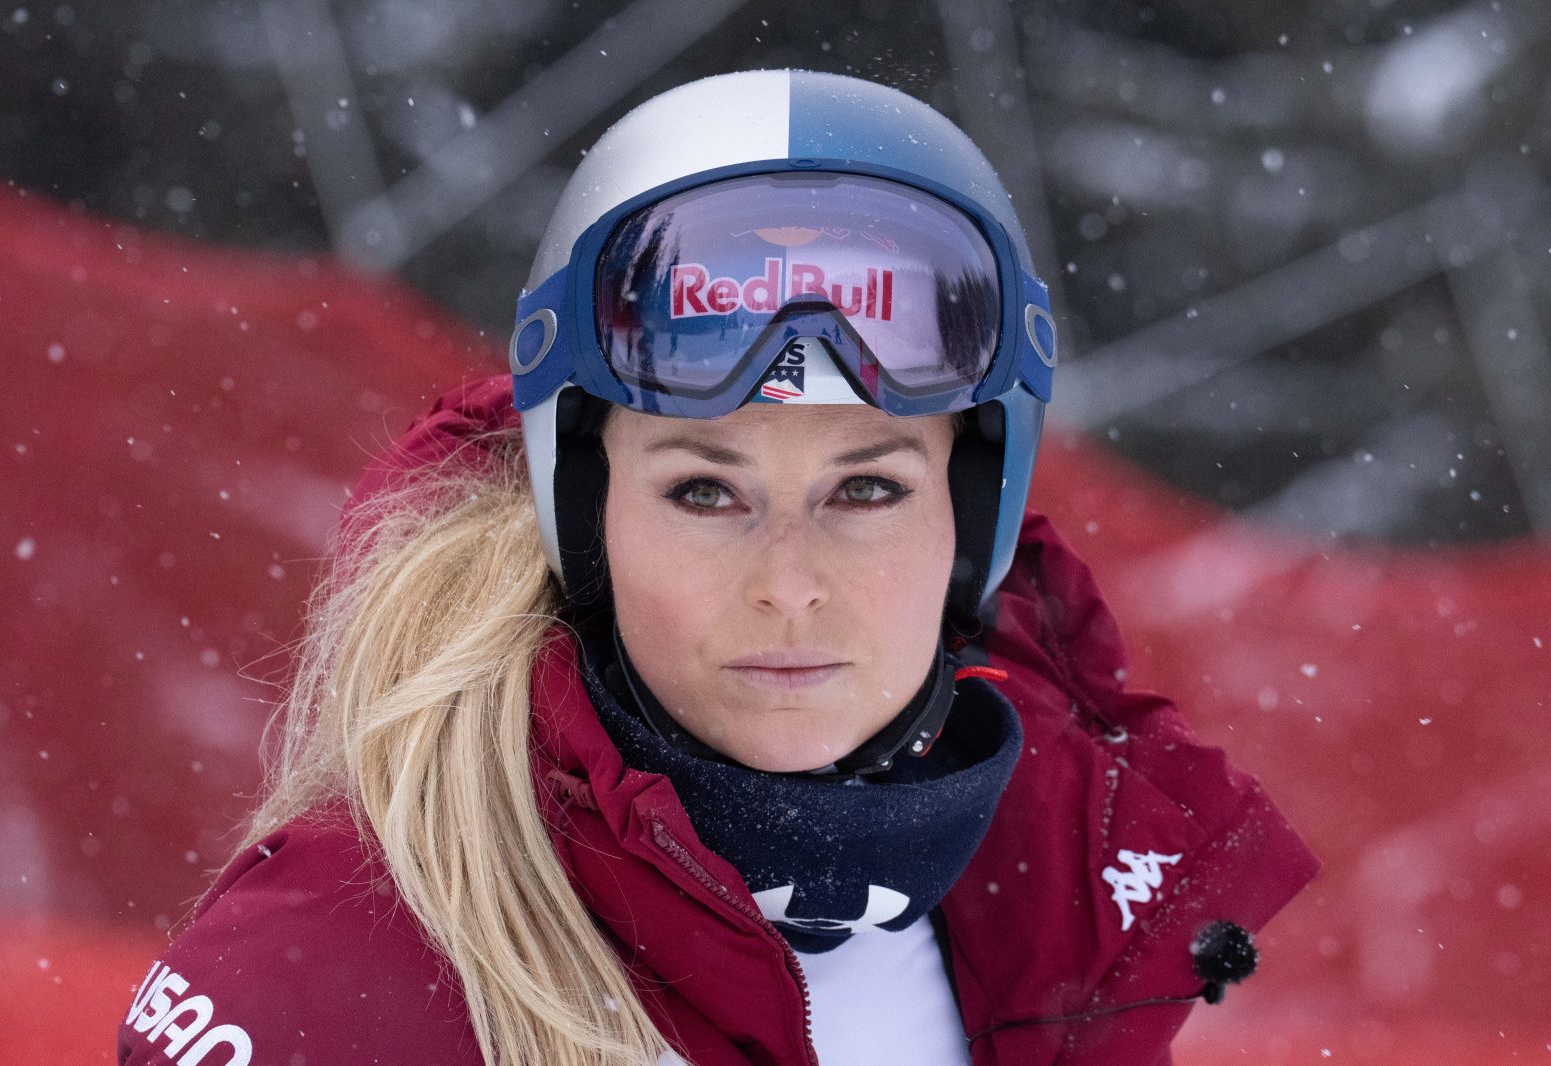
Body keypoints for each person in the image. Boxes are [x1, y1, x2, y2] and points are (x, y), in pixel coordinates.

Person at [119, 70, 1318, 1066]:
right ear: (584, 512)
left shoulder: (1050, 914)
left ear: (971, 519)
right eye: (704, 492)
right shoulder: (326, 982)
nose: (787, 584)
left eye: (865, 491)